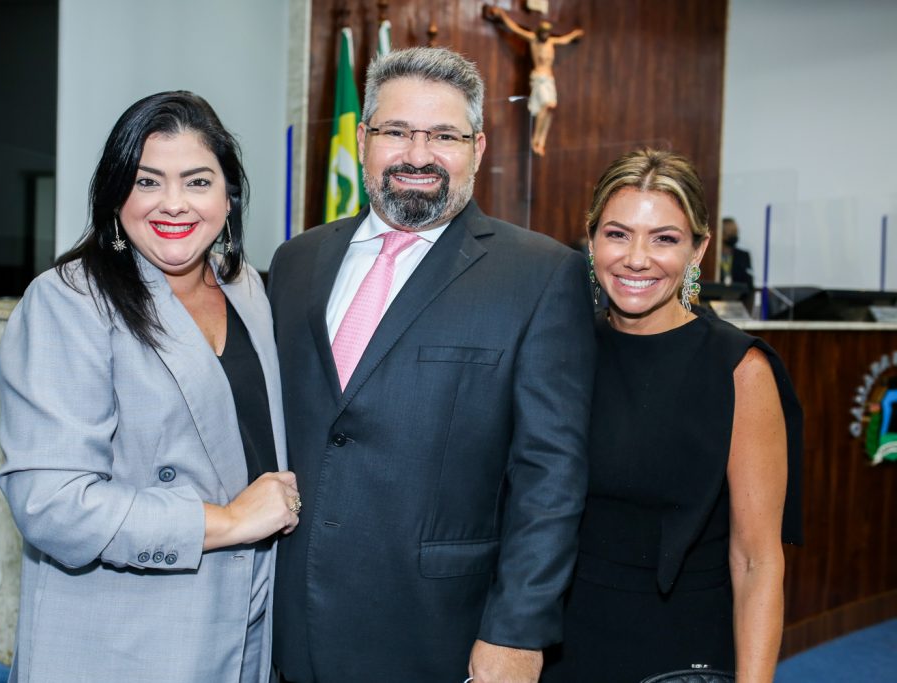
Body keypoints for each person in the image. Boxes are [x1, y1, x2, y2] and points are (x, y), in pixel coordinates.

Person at [268, 47, 595, 683]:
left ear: (477, 147)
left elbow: (551, 477)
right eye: (396, 131)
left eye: (443, 136)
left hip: (438, 631)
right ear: (363, 139)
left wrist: (517, 633)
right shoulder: (295, 262)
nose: (418, 156)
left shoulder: (540, 275)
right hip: (289, 620)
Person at [0, 91, 299, 682]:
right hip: (128, 630)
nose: (174, 203)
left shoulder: (245, 287)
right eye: (147, 182)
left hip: (246, 611)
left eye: (198, 181)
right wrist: (229, 522)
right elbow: (52, 503)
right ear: (117, 197)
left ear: (229, 196)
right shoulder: (69, 301)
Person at [543, 149, 803, 682]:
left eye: (664, 238)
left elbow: (757, 562)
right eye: (618, 234)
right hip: (561, 641)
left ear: (698, 249)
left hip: (679, 649)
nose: (637, 259)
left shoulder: (739, 370)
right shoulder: (560, 348)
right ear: (591, 239)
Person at [485, 5, 584, 156]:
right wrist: (503, 16)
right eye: (543, 32)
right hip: (539, 78)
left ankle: (541, 141)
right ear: (539, 32)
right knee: (547, 106)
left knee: (551, 109)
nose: (545, 35)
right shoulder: (533, 40)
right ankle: (535, 139)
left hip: (549, 79)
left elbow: (565, 39)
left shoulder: (551, 41)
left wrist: (575, 33)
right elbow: (515, 29)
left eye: (547, 32)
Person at [720, 216, 756, 311]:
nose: (735, 235)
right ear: (721, 234)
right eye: (731, 232)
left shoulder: (743, 256)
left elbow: (749, 286)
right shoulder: (711, 257)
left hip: (738, 307)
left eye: (736, 232)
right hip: (714, 306)